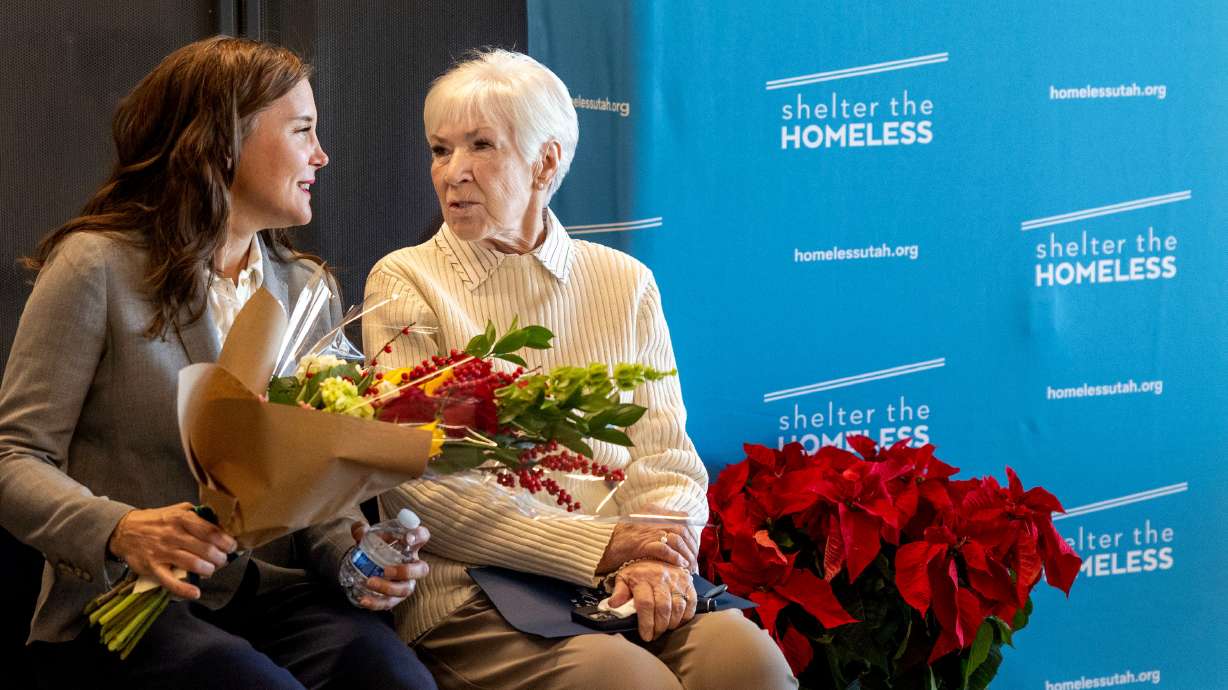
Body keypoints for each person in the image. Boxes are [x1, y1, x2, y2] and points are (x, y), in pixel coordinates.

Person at [0, 36, 435, 689]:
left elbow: (309, 479)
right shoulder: (96, 266)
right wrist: (119, 528)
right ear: (224, 141)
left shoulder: (308, 287)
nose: (322, 155)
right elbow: (13, 458)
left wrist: (356, 555)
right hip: (128, 603)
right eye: (303, 131)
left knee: (398, 679)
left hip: (276, 597)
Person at [365, 49, 795, 689]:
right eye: (440, 149)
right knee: (624, 682)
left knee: (750, 663)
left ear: (546, 162)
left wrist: (658, 558)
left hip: (628, 577)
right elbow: (418, 484)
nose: (452, 173)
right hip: (473, 591)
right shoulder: (405, 281)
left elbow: (667, 460)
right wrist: (599, 547)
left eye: (480, 146)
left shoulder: (624, 283)